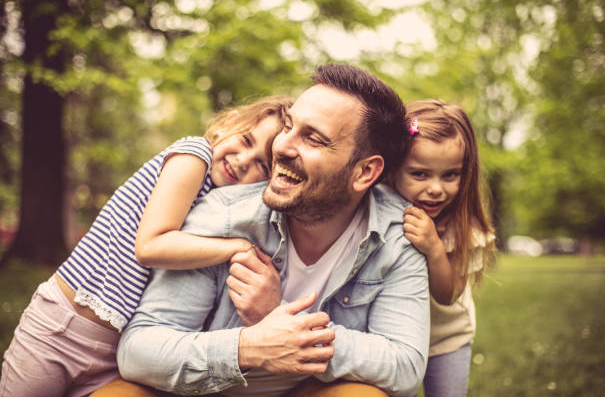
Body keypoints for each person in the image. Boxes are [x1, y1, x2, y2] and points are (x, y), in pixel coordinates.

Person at [114, 64, 430, 397]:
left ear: (365, 172)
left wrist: (280, 319)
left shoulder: (399, 235)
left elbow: (405, 365)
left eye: (313, 139)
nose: (280, 148)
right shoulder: (225, 216)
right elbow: (138, 351)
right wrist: (248, 347)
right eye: (289, 126)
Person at [0, 95, 293, 397]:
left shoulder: (216, 209)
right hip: (62, 329)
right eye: (245, 140)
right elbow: (150, 246)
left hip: (113, 353)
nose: (243, 161)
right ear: (229, 124)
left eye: (261, 163)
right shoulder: (195, 155)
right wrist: (237, 247)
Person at [391, 99, 496, 397]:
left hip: (447, 340)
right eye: (420, 174)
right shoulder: (380, 212)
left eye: (450, 175)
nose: (436, 188)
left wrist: (434, 247)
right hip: (394, 339)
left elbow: (447, 295)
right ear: (393, 168)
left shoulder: (464, 227)